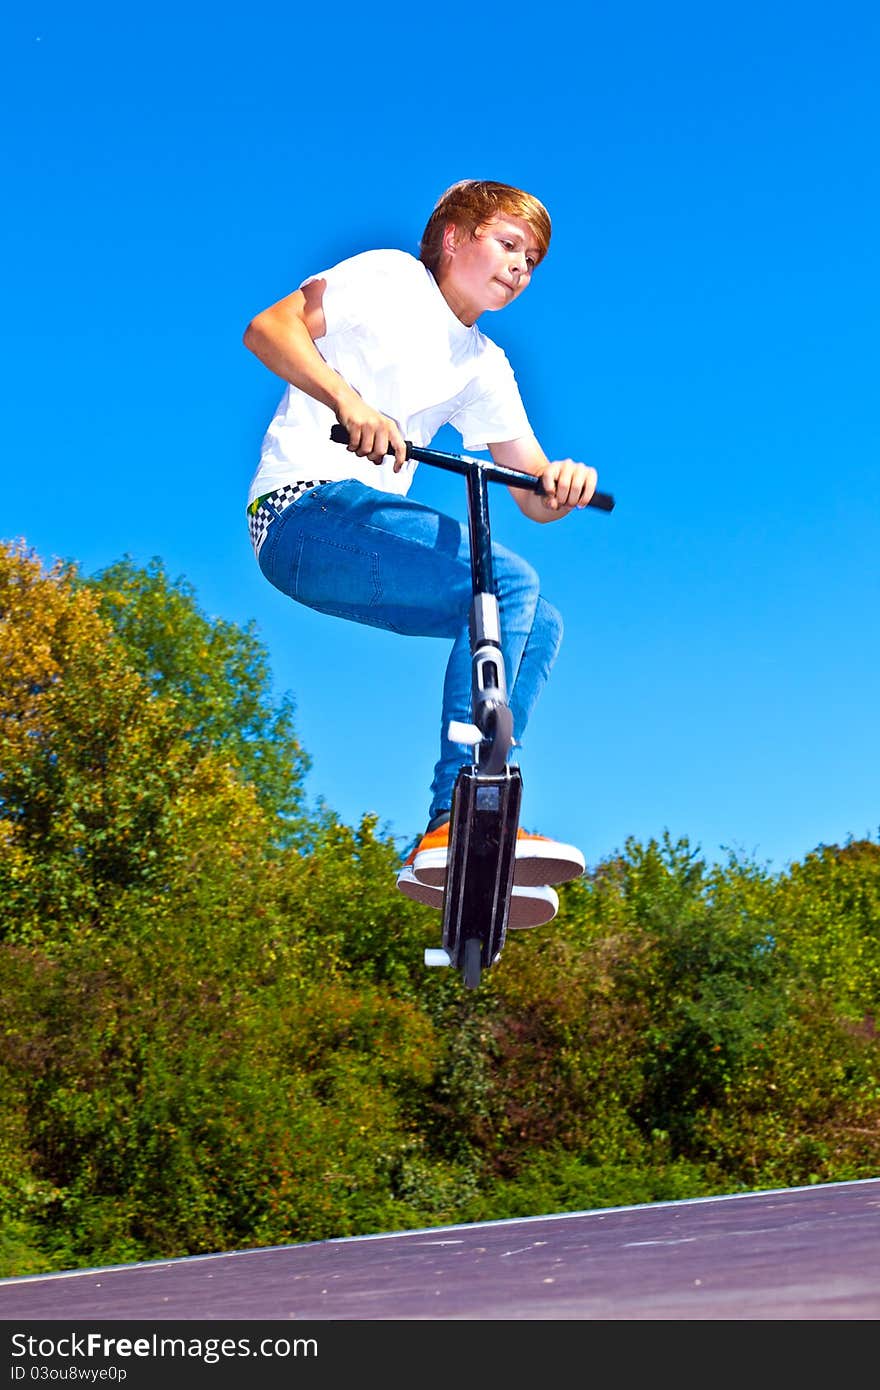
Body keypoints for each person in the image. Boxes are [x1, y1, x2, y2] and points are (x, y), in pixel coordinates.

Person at [243, 180, 599, 929]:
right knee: (502, 581)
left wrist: (561, 481)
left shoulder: (484, 364)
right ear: (452, 239)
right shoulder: (390, 279)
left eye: (532, 259)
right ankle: (457, 806)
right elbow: (270, 329)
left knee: (538, 621)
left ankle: (474, 817)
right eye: (508, 244)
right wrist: (349, 402)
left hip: (352, 535)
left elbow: (531, 491)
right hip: (302, 511)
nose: (520, 266)